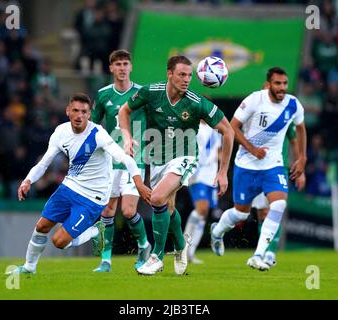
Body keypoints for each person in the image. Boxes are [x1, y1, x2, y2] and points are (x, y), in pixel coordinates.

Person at [6, 93, 150, 275]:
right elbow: (44, 163)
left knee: (59, 242)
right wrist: (28, 180)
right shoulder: (60, 132)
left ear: (89, 114)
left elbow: (126, 159)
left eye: (84, 111)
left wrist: (139, 185)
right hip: (69, 187)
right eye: (75, 110)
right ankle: (29, 267)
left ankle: (95, 232)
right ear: (68, 111)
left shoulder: (98, 134)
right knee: (41, 227)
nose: (79, 115)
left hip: (93, 197)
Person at [119, 55, 234, 275]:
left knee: (157, 198)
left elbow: (228, 131)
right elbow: (124, 110)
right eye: (181, 74)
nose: (187, 79)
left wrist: (223, 172)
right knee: (167, 208)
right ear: (169, 74)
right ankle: (181, 247)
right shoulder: (151, 92)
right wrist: (126, 136)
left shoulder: (197, 102)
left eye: (190, 75)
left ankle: (157, 257)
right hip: (157, 157)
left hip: (186, 157)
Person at [210, 67, 307, 271]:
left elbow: (300, 129)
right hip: (246, 165)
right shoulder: (255, 100)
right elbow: (231, 127)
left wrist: (302, 158)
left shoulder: (293, 104)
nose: (282, 88)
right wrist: (251, 149)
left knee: (278, 205)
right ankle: (217, 232)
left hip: (273, 166)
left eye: (284, 84)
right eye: (277, 83)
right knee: (241, 214)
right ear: (269, 84)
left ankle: (259, 254)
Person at [91, 49, 151, 273]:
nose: (122, 68)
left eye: (126, 64)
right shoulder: (104, 95)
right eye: (118, 65)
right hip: (109, 161)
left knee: (127, 211)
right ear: (111, 68)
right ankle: (105, 260)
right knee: (107, 211)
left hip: (135, 161)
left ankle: (144, 246)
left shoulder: (142, 93)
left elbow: (156, 119)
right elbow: (94, 127)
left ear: (131, 67)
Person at [251, 123, 306, 268]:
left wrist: (300, 169)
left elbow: (295, 141)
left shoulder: (284, 115)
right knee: (262, 213)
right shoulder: (256, 111)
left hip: (278, 169)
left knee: (275, 208)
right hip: (256, 169)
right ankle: (262, 251)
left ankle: (270, 253)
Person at [184, 120, 222, 264]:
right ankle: (184, 245)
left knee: (204, 214)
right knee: (202, 209)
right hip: (198, 174)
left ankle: (191, 252)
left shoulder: (215, 131)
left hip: (211, 176)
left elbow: (218, 152)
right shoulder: (193, 126)